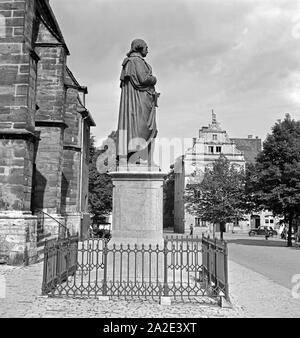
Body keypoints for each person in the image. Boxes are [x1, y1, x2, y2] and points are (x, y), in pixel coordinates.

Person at [116, 39, 160, 166]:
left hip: (139, 98)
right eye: (146, 47)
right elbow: (143, 79)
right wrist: (154, 79)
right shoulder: (136, 61)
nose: (148, 50)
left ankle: (136, 157)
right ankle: (140, 157)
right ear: (140, 48)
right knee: (144, 127)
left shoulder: (131, 61)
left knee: (134, 126)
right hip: (140, 100)